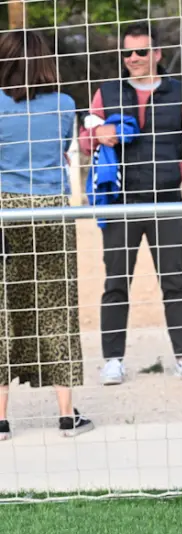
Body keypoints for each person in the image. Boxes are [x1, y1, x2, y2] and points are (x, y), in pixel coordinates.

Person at [78, 21, 182, 385]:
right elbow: (86, 140)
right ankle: (113, 361)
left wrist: (178, 171)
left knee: (174, 281)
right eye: (127, 52)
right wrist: (96, 135)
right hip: (120, 202)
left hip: (166, 200)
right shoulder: (107, 92)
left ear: (157, 54)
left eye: (141, 51)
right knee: (116, 282)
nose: (133, 58)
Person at [0, 30, 93, 439]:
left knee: (4, 309)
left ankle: (1, 419)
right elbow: (64, 146)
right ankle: (66, 413)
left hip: (5, 208)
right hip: (51, 209)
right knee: (58, 307)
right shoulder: (65, 104)